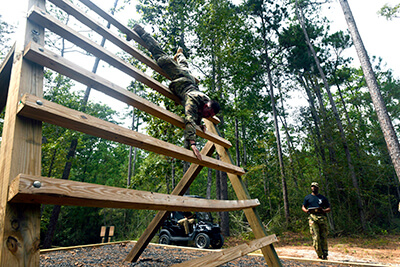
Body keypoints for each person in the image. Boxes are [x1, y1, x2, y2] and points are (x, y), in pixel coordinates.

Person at [133, 25, 220, 161]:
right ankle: (140, 30)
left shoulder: (203, 102)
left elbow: (197, 114)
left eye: (208, 116)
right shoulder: (194, 98)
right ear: (206, 106)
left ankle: (180, 54)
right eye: (207, 113)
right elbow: (189, 117)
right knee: (160, 56)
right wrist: (192, 143)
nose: (206, 116)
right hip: (182, 79)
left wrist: (199, 123)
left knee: (185, 66)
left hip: (190, 80)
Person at [302, 182, 331, 260]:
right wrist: (307, 211)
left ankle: (325, 253)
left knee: (323, 236)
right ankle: (319, 254)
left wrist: (324, 210)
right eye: (312, 186)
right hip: (312, 218)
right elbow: (303, 207)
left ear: (318, 188)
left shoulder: (322, 198)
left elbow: (329, 208)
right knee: (316, 236)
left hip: (322, 217)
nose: (313, 188)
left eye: (315, 187)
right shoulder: (308, 198)